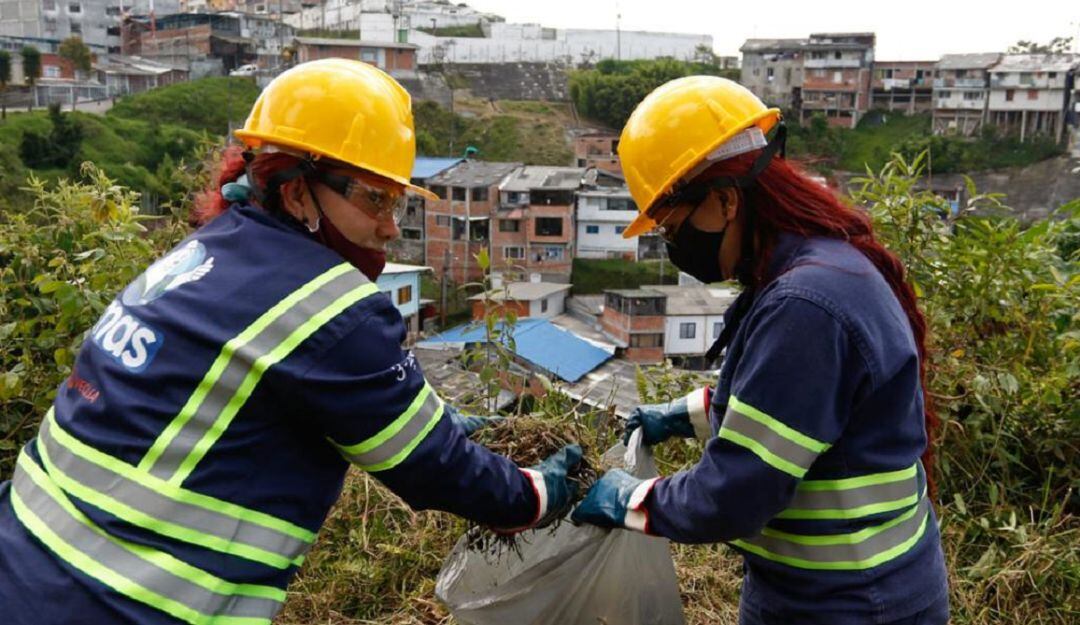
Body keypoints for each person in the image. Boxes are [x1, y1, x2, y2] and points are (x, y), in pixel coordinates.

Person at [0, 59, 580, 625]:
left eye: (396, 202)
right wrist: (534, 496)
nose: (389, 225)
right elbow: (435, 469)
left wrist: (438, 420)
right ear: (297, 190)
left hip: (21, 554)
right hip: (119, 602)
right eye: (373, 198)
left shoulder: (209, 249)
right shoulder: (333, 307)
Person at [571, 76, 949, 625]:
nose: (675, 248)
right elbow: (795, 405)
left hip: (848, 606)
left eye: (675, 229)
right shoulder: (820, 267)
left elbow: (734, 495)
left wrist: (625, 498)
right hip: (844, 589)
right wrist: (682, 415)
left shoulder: (807, 306)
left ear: (725, 201)